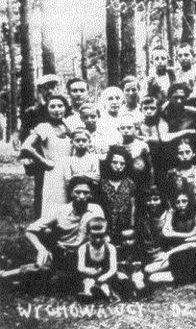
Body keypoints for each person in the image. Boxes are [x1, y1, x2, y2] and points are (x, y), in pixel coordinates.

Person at [0, 177, 105, 283]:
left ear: (91, 194)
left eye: (86, 193)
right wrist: (41, 249)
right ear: (71, 193)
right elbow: (30, 231)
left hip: (84, 254)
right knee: (41, 270)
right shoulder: (60, 211)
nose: (82, 196)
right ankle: (4, 275)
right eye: (78, 192)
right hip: (61, 254)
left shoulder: (97, 210)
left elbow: (101, 234)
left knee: (96, 271)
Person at [145, 187, 196, 284]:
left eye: (184, 201)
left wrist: (170, 250)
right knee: (148, 269)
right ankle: (178, 272)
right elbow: (166, 233)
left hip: (188, 252)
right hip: (176, 251)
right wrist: (190, 234)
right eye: (178, 202)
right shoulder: (172, 214)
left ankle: (181, 276)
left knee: (153, 277)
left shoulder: (195, 215)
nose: (181, 205)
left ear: (189, 201)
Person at [21, 95, 72, 218]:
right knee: (53, 208)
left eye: (60, 106)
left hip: (69, 172)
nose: (56, 109)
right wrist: (44, 161)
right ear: (47, 109)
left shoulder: (68, 126)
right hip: (53, 174)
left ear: (65, 108)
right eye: (52, 106)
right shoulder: (44, 127)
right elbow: (26, 146)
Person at [19, 75, 62, 218]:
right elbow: (24, 136)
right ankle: (41, 223)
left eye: (53, 87)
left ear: (58, 88)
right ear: (40, 90)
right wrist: (27, 158)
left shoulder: (64, 109)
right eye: (46, 88)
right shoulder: (32, 112)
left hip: (61, 155)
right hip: (40, 159)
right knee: (41, 191)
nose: (50, 91)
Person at [99, 145, 136, 244]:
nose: (118, 167)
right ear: (109, 162)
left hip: (125, 229)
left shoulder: (129, 183)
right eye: (114, 162)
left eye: (122, 163)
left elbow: (133, 207)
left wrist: (131, 227)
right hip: (106, 229)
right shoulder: (102, 184)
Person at [77, 217, 117, 300]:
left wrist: (105, 276)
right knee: (88, 282)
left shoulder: (110, 248)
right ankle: (88, 293)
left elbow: (113, 269)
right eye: (94, 236)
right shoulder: (83, 248)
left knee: (104, 285)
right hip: (89, 275)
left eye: (101, 236)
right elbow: (80, 267)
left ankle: (106, 293)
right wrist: (89, 270)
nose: (97, 240)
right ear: (87, 234)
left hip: (105, 276)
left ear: (106, 235)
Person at [118, 113, 153, 189]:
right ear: (118, 129)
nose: (126, 130)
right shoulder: (117, 147)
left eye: (129, 127)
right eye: (122, 128)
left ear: (135, 128)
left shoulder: (142, 145)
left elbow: (150, 167)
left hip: (141, 182)